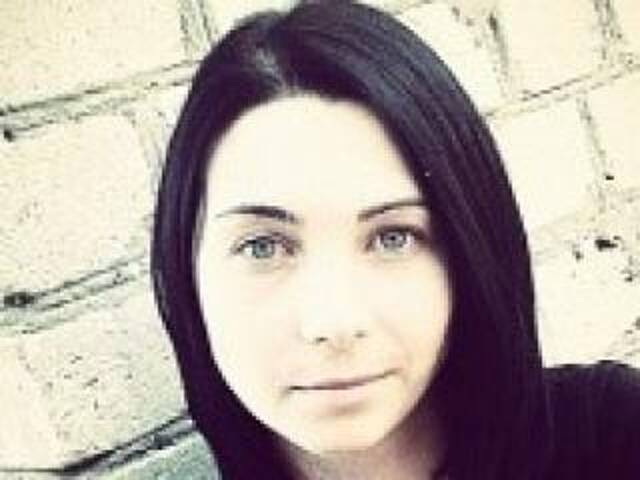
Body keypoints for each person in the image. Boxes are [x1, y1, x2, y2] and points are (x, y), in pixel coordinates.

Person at [150, 1, 640, 479]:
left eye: (393, 237)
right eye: (263, 246)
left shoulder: (612, 437)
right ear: (188, 273)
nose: (334, 324)